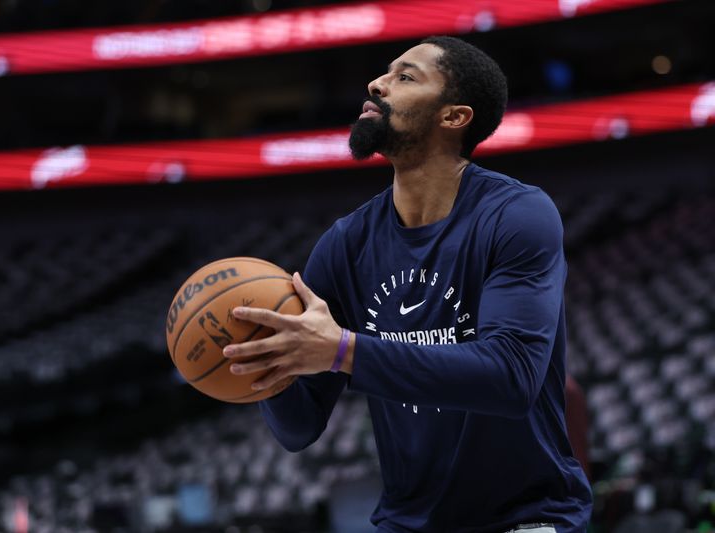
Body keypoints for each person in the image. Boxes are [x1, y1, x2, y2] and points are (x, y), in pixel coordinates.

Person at [222, 35, 593, 533]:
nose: (376, 84)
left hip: (524, 518)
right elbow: (299, 428)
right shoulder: (346, 243)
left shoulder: (517, 214)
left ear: (454, 117)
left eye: (405, 76)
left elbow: (510, 377)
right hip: (408, 522)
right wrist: (265, 361)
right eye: (384, 73)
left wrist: (345, 351)